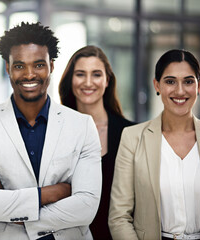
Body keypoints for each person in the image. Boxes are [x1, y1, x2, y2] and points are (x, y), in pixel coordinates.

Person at [0, 22, 102, 240]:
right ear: (7, 68)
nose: (29, 74)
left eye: (38, 65)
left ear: (51, 66)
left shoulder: (82, 125)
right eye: (19, 66)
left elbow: (87, 206)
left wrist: (8, 208)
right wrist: (53, 193)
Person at [108, 49, 200, 240]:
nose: (180, 91)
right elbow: (119, 216)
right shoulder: (133, 138)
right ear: (157, 85)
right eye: (170, 81)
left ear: (199, 85)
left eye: (188, 81)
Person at [58, 45, 134, 240]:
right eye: (81, 74)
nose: (88, 82)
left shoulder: (131, 133)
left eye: (97, 74)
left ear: (107, 80)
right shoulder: (54, 131)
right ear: (71, 80)